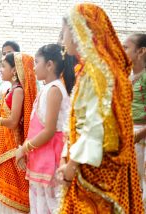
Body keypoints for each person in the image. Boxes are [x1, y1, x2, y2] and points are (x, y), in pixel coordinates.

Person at [56, 3, 143, 213]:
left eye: (64, 29)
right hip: (90, 166)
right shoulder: (98, 69)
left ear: (81, 29)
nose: (61, 37)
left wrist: (72, 165)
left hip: (95, 172)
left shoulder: (99, 73)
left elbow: (95, 127)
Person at [15, 44, 75, 213]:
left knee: (51, 207)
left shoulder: (54, 89)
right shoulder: (47, 88)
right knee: (40, 205)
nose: (33, 68)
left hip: (51, 158)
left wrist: (23, 149)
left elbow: (48, 131)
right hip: (40, 154)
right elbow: (37, 126)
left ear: (49, 65)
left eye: (36, 62)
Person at [0, 52, 37, 213]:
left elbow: (12, 122)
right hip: (5, 147)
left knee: (13, 196)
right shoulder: (11, 89)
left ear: (14, 70)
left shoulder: (18, 90)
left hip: (12, 149)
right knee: (4, 193)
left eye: (3, 66)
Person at [123, 33, 146, 208]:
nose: (122, 51)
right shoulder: (127, 77)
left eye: (126, 47)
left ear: (141, 51)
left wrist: (140, 133)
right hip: (130, 133)